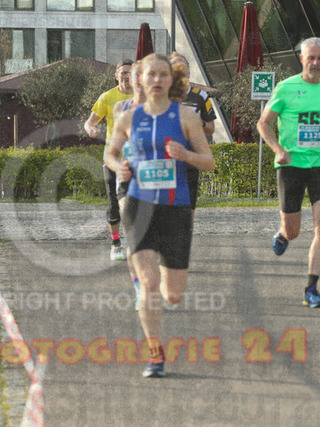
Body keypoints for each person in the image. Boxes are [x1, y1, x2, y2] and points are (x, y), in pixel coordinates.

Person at [105, 53, 215, 377]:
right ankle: (155, 354)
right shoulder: (128, 117)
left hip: (176, 209)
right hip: (138, 206)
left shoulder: (186, 116)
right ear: (140, 79)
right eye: (150, 74)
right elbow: (110, 152)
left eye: (162, 74)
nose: (156, 80)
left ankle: (158, 301)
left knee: (173, 295)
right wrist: (119, 167)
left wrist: (186, 155)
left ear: (171, 80)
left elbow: (209, 161)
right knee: (149, 283)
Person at [256, 37, 320, 309]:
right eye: (311, 58)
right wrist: (277, 149)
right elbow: (263, 123)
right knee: (293, 230)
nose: (315, 63)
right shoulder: (286, 88)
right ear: (302, 59)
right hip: (290, 165)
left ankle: (311, 289)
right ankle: (283, 233)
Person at [84, 59, 134, 261]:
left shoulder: (144, 97)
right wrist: (91, 129)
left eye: (130, 72)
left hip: (137, 158)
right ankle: (115, 244)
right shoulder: (107, 97)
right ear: (116, 76)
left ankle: (136, 241)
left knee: (136, 202)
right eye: (123, 73)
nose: (126, 76)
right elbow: (90, 122)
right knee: (114, 203)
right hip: (113, 158)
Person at [112, 60, 145, 310]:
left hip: (157, 180)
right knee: (133, 236)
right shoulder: (120, 108)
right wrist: (117, 165)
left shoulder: (169, 109)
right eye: (137, 76)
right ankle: (138, 288)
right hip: (128, 177)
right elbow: (113, 149)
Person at [169, 51, 217, 216]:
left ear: (189, 73)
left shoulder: (201, 96)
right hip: (166, 154)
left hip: (191, 153)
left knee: (189, 206)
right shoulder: (161, 95)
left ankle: (185, 231)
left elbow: (211, 128)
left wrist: (199, 123)